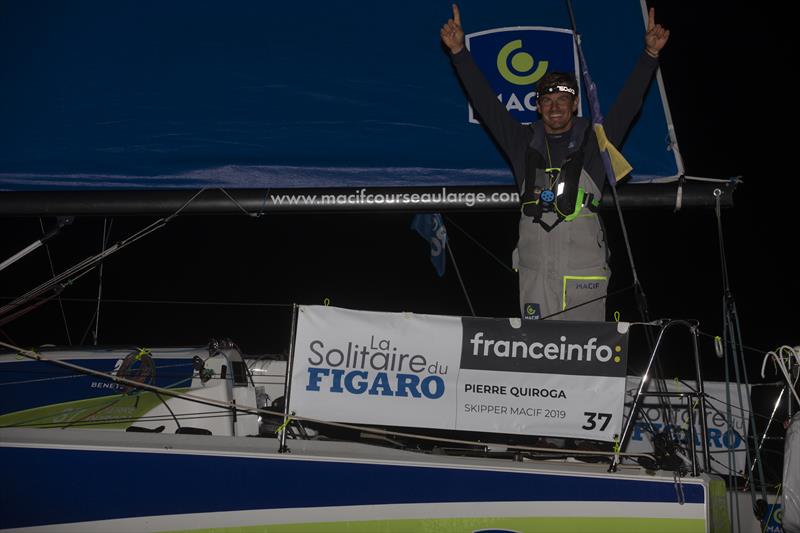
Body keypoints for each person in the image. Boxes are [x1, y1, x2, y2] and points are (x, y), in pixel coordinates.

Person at [441, 5, 669, 321]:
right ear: (538, 107)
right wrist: (459, 53)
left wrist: (649, 55)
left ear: (575, 103)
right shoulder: (522, 142)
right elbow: (486, 104)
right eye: (547, 100)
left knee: (584, 354)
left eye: (563, 99)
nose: (555, 107)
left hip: (582, 272)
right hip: (535, 273)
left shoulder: (595, 140)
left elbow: (628, 105)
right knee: (539, 356)